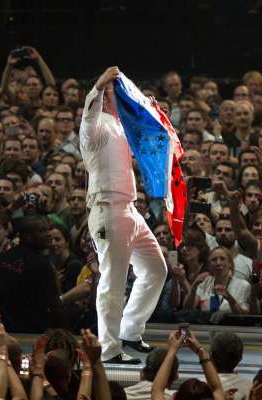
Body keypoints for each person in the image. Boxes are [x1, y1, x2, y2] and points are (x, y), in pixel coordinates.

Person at [79, 66, 167, 363]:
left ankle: (130, 330)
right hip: (107, 211)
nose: (122, 98)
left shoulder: (120, 125)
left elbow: (151, 135)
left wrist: (152, 111)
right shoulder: (97, 125)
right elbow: (88, 117)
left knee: (156, 270)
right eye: (117, 95)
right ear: (106, 98)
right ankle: (108, 348)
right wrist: (99, 85)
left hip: (130, 210)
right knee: (113, 281)